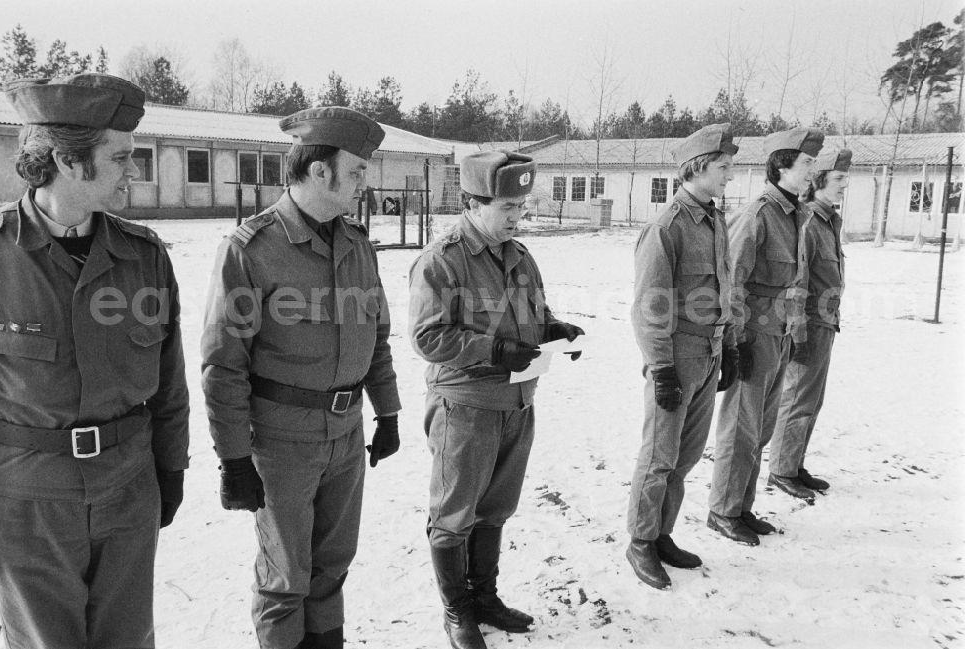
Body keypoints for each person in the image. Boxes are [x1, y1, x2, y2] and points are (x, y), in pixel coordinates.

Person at [0, 73, 189, 648]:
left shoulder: (143, 257)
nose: (132, 172)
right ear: (68, 161)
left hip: (127, 486)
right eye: (121, 158)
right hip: (24, 499)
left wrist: (170, 468)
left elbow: (170, 383)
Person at [201, 106, 401, 649]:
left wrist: (389, 412)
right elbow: (223, 366)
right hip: (283, 441)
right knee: (286, 576)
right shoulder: (250, 250)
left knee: (332, 566)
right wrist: (234, 457)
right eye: (357, 171)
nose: (364, 182)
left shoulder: (358, 244)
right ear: (319, 171)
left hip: (346, 435)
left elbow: (376, 337)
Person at [408, 150, 584, 649]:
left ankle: (484, 596)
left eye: (520, 206)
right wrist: (496, 350)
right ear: (472, 202)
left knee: (496, 508)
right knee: (454, 512)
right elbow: (427, 337)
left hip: (517, 403)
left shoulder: (521, 257)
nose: (516, 217)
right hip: (465, 406)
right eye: (506, 206)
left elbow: (535, 311)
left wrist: (556, 330)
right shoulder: (443, 260)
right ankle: (456, 610)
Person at [626, 124, 738, 589]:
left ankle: (662, 534)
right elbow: (650, 308)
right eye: (724, 167)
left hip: (709, 355)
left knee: (687, 456)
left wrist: (728, 345)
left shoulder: (715, 220)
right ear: (698, 167)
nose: (730, 175)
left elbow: (726, 289)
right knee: (659, 457)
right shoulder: (666, 228)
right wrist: (662, 368)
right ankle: (639, 541)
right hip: (676, 359)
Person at [708, 127, 823, 546]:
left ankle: (741, 505)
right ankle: (722, 510)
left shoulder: (794, 214)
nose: (814, 171)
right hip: (753, 334)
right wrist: (735, 342)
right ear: (781, 166)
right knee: (740, 425)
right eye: (807, 163)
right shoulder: (759, 214)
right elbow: (732, 283)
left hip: (780, 333)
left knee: (762, 427)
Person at [767, 149, 851, 495]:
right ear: (818, 183)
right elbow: (798, 280)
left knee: (812, 400)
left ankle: (795, 463)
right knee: (798, 398)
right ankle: (782, 471)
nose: (845, 185)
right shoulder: (810, 223)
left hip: (825, 321)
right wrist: (798, 331)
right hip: (809, 324)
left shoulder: (828, 220)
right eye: (838, 179)